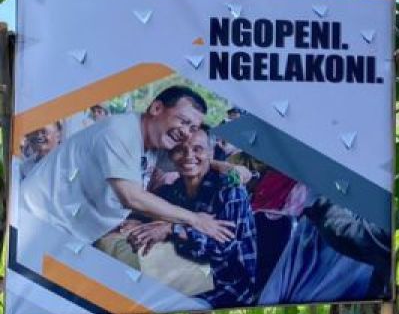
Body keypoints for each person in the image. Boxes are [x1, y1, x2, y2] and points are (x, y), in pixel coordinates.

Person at [16, 85, 235, 247]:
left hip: (66, 236)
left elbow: (184, 160)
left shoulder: (155, 144)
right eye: (183, 121)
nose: (186, 132)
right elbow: (131, 196)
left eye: (193, 128)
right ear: (156, 108)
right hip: (35, 225)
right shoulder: (120, 132)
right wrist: (195, 220)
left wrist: (219, 165)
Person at [125, 125, 258, 308]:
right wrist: (135, 222)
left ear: (211, 153)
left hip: (227, 285)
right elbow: (148, 213)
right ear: (171, 155)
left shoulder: (229, 190)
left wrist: (173, 229)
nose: (188, 156)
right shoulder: (174, 191)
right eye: (180, 149)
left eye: (198, 149)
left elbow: (222, 250)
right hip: (186, 273)